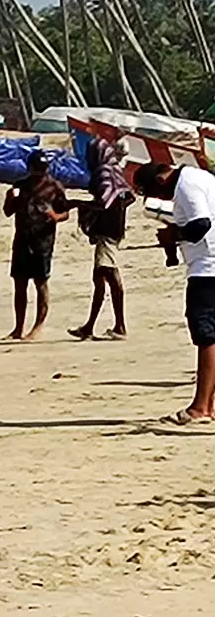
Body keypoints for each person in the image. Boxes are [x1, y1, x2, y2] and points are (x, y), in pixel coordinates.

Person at [133, 161, 215, 425]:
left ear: (160, 180)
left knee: (206, 334)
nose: (160, 200)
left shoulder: (186, 185)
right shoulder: (197, 178)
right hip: (209, 264)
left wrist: (174, 236)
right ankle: (209, 406)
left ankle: (200, 407)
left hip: (208, 268)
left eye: (154, 195)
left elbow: (201, 224)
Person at [3, 149, 70, 340]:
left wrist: (55, 217)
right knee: (20, 283)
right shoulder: (21, 186)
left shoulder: (54, 187)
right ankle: (18, 328)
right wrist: (10, 198)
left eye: (43, 168)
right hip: (23, 238)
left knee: (41, 282)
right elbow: (8, 211)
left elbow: (65, 213)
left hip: (43, 241)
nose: (41, 172)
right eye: (37, 168)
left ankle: (38, 327)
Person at [70, 139, 133, 340]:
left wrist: (78, 204)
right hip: (115, 229)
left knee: (106, 277)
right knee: (105, 277)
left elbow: (104, 201)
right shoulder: (116, 171)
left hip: (106, 232)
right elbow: (128, 197)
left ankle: (111, 326)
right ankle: (99, 325)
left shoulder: (103, 173)